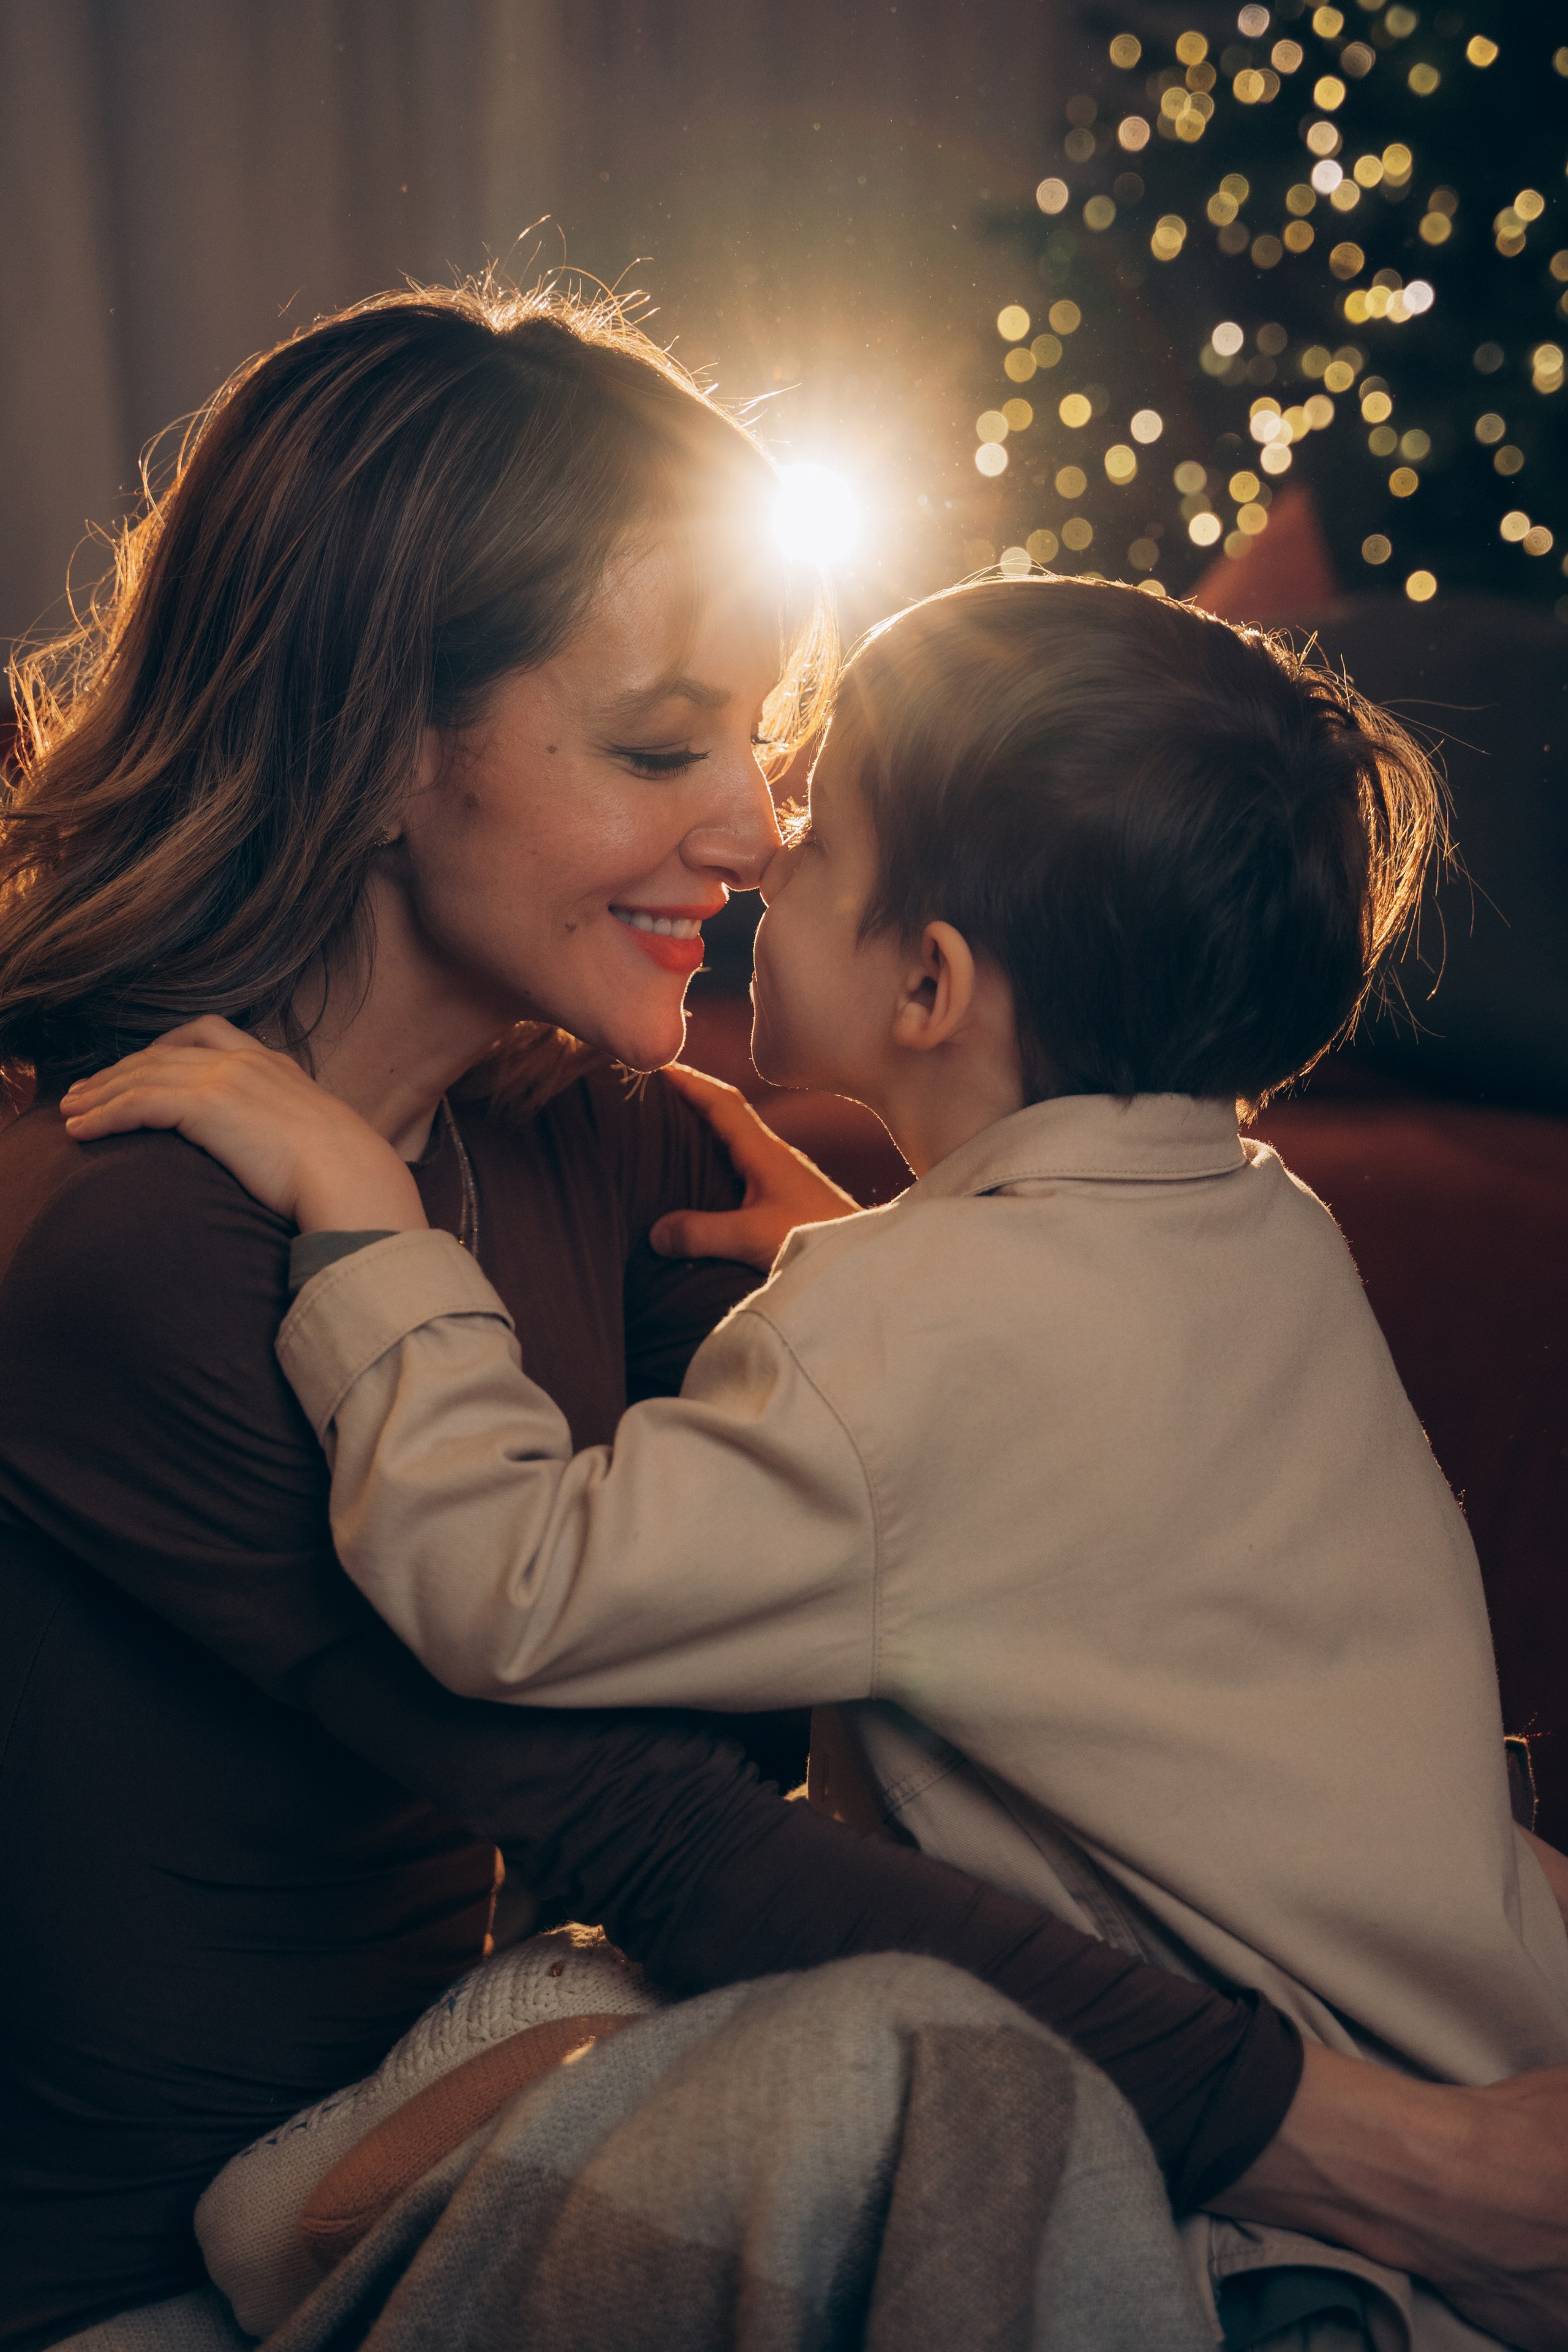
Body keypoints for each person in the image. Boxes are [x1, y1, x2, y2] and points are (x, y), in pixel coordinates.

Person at [3, 284, 1567, 2352]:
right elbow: (652, 1828)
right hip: (179, 2284)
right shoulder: (132, 1226)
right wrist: (1381, 2143)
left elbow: (852, 1675)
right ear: (381, 739)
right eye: (670, 745)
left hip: (516, 2126)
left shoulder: (629, 1151)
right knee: (914, 2071)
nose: (751, 833)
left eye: (765, 741)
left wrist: (901, 1331)